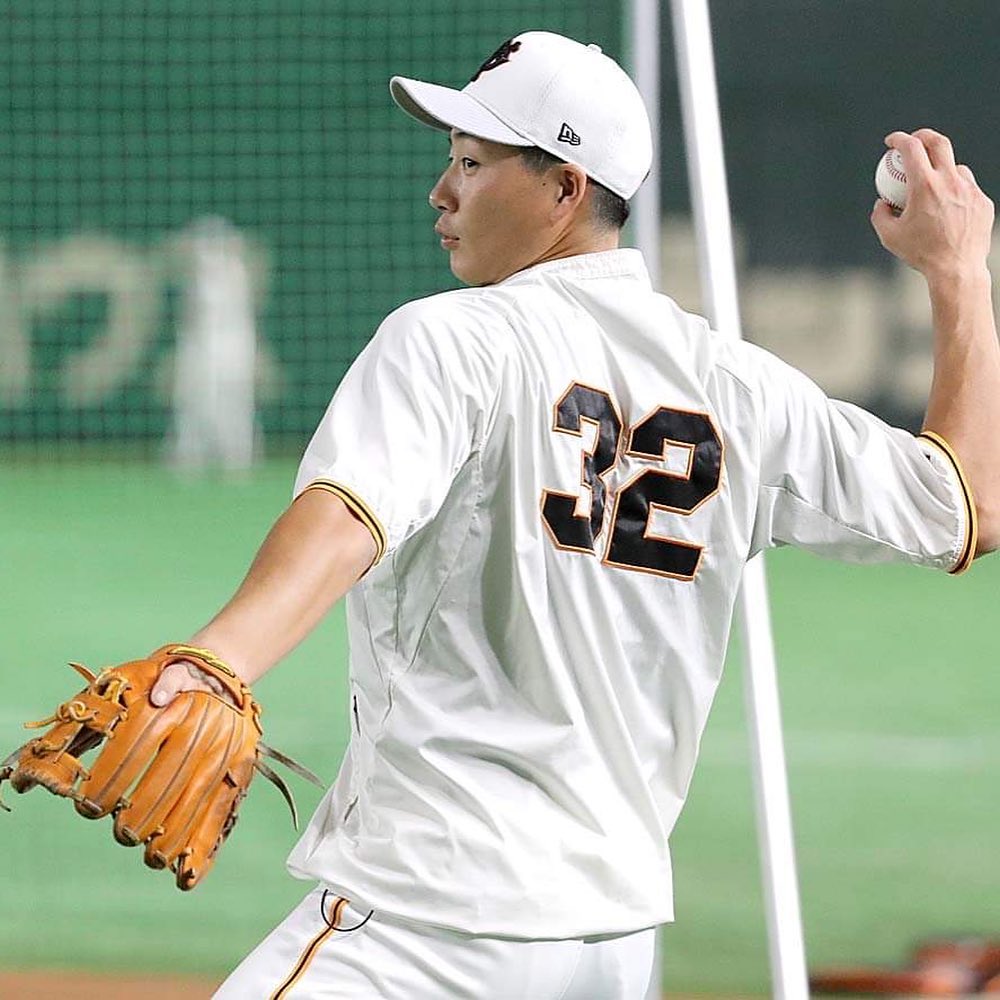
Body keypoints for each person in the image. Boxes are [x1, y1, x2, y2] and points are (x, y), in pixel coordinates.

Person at [149, 30, 998, 1000]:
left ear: (565, 189)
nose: (442, 191)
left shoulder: (452, 339)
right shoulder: (739, 388)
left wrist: (215, 659)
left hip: (432, 920)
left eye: (473, 162)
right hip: (609, 942)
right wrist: (958, 273)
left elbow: (347, 516)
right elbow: (965, 506)